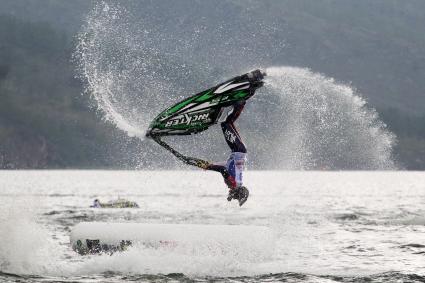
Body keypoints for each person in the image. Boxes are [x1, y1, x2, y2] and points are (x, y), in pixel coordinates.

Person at [205, 101, 249, 206]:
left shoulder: (237, 181)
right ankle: (240, 102)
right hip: (238, 149)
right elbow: (222, 170)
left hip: (239, 150)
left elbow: (227, 165)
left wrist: (210, 164)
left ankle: (239, 103)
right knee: (225, 124)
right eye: (235, 197)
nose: (229, 192)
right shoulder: (233, 183)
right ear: (237, 192)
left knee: (228, 123)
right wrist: (209, 167)